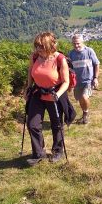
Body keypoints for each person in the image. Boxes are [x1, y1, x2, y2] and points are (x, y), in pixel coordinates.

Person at [24, 32, 71, 166]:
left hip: (54, 93)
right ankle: (39, 153)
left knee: (56, 125)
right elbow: (30, 73)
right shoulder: (34, 57)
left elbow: (66, 82)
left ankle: (57, 151)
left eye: (42, 46)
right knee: (32, 124)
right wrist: (28, 88)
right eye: (37, 46)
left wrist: (58, 94)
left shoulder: (60, 59)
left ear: (50, 45)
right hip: (38, 93)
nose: (39, 49)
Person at [68, 34, 100, 124]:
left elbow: (96, 64)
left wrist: (95, 78)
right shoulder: (71, 54)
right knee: (80, 99)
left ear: (82, 42)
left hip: (88, 81)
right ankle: (84, 113)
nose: (76, 45)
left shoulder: (89, 51)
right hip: (77, 82)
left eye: (78, 43)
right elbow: (69, 68)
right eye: (74, 43)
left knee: (84, 97)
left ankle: (86, 114)